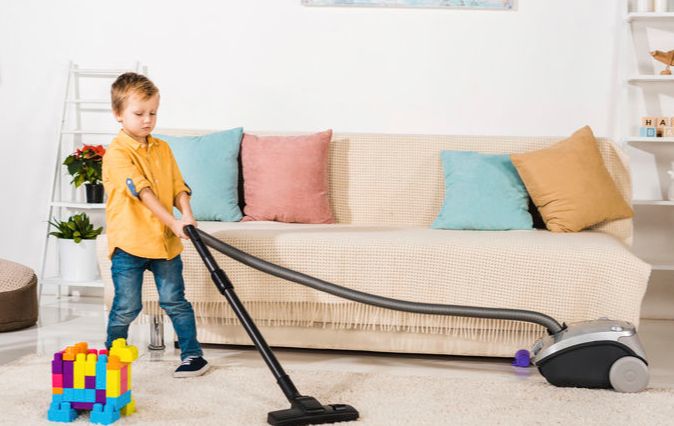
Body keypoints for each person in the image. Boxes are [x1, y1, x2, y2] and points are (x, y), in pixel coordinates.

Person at [102, 72, 209, 378]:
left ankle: (193, 355)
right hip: (130, 243)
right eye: (139, 114)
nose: (147, 120)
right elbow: (142, 191)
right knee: (127, 305)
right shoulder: (117, 154)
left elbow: (177, 184)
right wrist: (174, 222)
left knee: (175, 300)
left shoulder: (162, 148)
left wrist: (186, 215)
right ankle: (113, 353)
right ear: (118, 115)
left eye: (152, 113)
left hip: (164, 244)